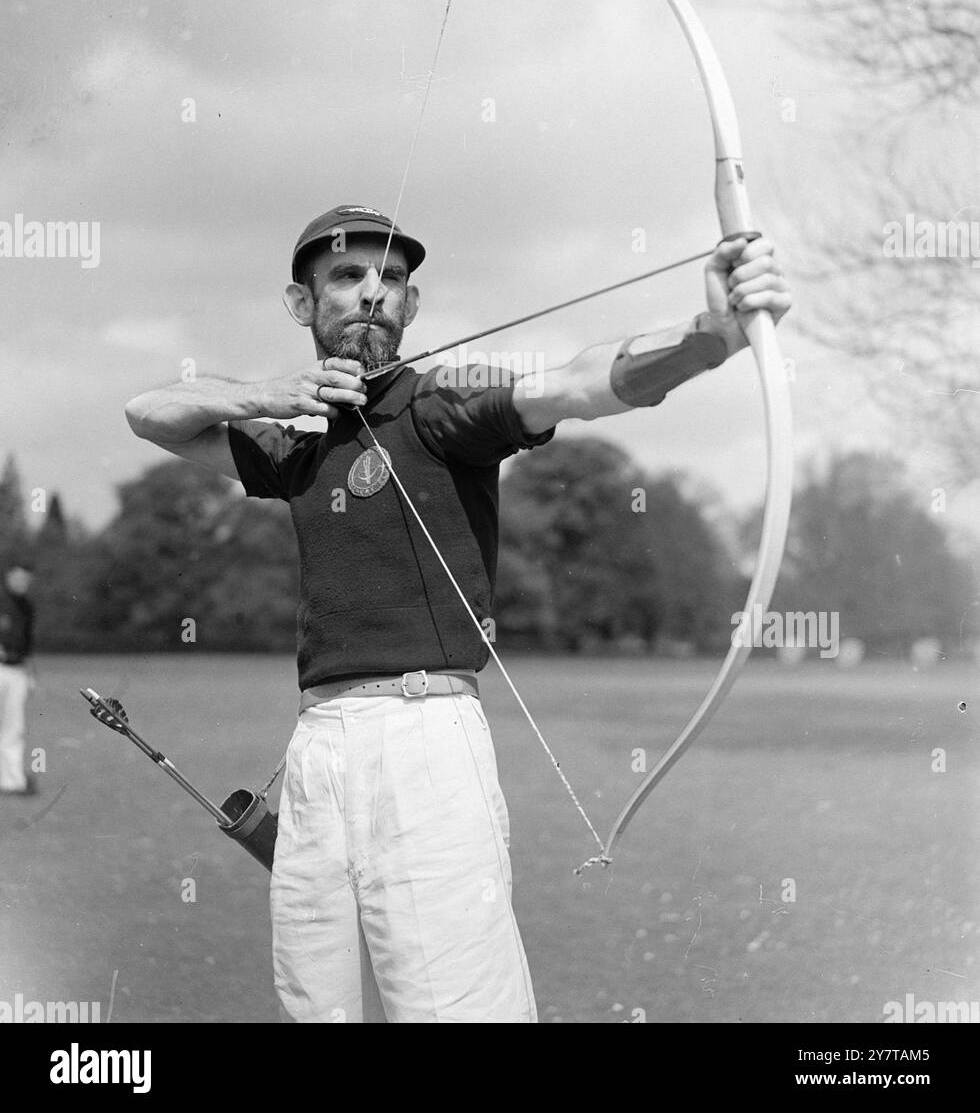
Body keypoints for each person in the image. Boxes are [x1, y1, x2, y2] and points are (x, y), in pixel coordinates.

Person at [125, 203, 791, 1022]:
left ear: (413, 306)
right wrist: (264, 395)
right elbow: (148, 414)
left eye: (393, 279)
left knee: (454, 1006)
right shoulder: (295, 445)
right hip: (317, 749)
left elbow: (578, 384)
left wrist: (714, 333)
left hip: (427, 742)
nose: (375, 293)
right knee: (311, 1003)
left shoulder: (439, 411)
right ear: (301, 304)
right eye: (347, 276)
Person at [0, 561, 37, 796]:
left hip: (17, 671)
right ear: (8, 577)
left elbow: (28, 643)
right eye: (17, 578)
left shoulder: (27, 607)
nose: (21, 583)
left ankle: (11, 781)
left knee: (14, 727)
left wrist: (31, 673)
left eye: (26, 580)